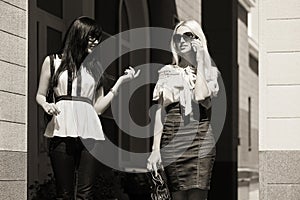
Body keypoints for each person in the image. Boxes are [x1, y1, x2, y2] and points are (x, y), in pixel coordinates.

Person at [36, 16, 140, 199]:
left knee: (85, 194)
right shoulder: (52, 62)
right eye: (92, 36)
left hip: (90, 133)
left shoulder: (95, 68)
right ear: (79, 34)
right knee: (64, 194)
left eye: (97, 37)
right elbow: (40, 94)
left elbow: (98, 108)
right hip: (61, 129)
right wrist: (46, 105)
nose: (96, 41)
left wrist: (121, 83)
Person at [147, 20, 220, 200]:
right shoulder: (167, 71)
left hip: (200, 138)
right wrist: (155, 149)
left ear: (198, 39)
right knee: (177, 196)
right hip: (173, 137)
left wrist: (202, 60)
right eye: (178, 36)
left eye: (188, 35)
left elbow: (201, 97)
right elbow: (160, 111)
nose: (182, 40)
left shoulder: (210, 72)